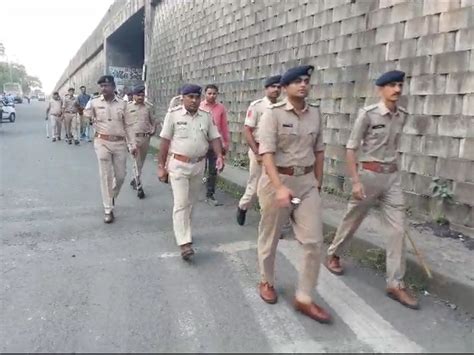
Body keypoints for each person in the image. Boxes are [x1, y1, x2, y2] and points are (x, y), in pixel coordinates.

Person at [325, 70, 418, 309]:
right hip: (368, 176)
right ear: (381, 89)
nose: (397, 89)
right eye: (392, 85)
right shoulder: (367, 115)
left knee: (397, 229)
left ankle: (395, 283)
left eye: (400, 85)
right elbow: (351, 148)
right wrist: (356, 181)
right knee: (352, 220)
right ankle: (334, 254)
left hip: (392, 179)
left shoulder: (402, 116)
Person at [257, 65, 330, 323]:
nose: (303, 85)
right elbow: (265, 154)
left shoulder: (316, 114)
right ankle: (266, 280)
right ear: (286, 88)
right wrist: (278, 187)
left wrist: (318, 183)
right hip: (278, 182)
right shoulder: (273, 115)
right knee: (271, 237)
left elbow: (319, 150)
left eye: (306, 81)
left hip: (306, 183)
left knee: (313, 241)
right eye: (297, 81)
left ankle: (304, 298)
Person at [158, 84, 224, 260]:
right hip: (178, 165)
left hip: (198, 166)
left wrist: (219, 156)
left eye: (196, 97)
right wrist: (161, 166)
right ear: (183, 98)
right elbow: (164, 142)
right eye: (190, 97)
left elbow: (215, 137)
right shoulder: (173, 115)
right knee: (181, 203)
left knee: (191, 202)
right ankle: (184, 243)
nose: (194, 100)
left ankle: (184, 230)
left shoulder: (206, 117)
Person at [85, 75, 137, 223]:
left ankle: (111, 196)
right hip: (102, 142)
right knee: (106, 175)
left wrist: (132, 144)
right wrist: (86, 115)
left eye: (106, 86)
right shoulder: (94, 102)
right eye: (101, 86)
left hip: (120, 143)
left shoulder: (123, 104)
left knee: (120, 176)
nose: (103, 89)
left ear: (113, 87)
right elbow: (86, 115)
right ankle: (108, 209)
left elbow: (128, 125)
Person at [236, 75, 282, 225]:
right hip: (259, 150)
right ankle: (243, 206)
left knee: (274, 185)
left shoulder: (282, 107)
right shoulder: (257, 106)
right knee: (255, 184)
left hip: (276, 152)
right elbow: (248, 130)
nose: (276, 89)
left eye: (279, 87)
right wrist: (256, 153)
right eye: (273, 86)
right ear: (266, 88)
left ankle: (271, 221)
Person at [199, 84, 230, 206]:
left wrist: (225, 144)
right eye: (209, 93)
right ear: (205, 94)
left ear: (217, 94)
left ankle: (210, 194)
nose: (212, 96)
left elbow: (224, 127)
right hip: (200, 143)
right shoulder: (199, 106)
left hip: (215, 144)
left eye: (214, 93)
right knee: (199, 168)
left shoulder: (220, 108)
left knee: (213, 170)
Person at [127, 85, 157, 198]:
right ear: (133, 95)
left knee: (140, 162)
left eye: (142, 95)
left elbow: (153, 121)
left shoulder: (148, 107)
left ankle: (134, 179)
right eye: (138, 95)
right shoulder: (127, 107)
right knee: (136, 161)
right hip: (133, 138)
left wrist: (153, 129)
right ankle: (139, 186)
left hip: (145, 138)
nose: (140, 97)